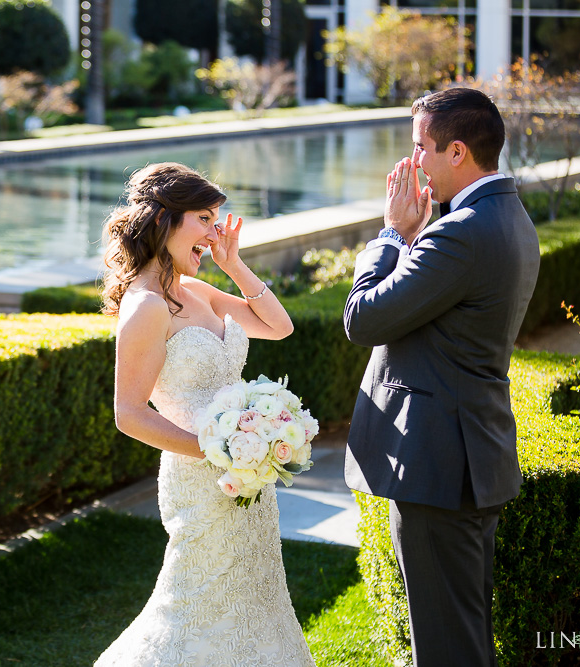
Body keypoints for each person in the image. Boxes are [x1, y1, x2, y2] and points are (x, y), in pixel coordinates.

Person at [342, 88, 541, 666]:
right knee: (463, 633)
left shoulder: (462, 232)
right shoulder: (505, 215)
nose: (411, 164)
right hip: (467, 459)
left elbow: (363, 317)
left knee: (446, 645)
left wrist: (391, 235)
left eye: (418, 148)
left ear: (457, 152)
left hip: (438, 465)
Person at [94, 162, 315, 666]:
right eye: (204, 218)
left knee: (257, 596)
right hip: (201, 479)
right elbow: (128, 413)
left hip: (245, 475)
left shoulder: (193, 292)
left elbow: (279, 327)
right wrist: (216, 452)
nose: (215, 231)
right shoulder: (146, 306)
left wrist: (234, 263)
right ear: (164, 220)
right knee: (194, 600)